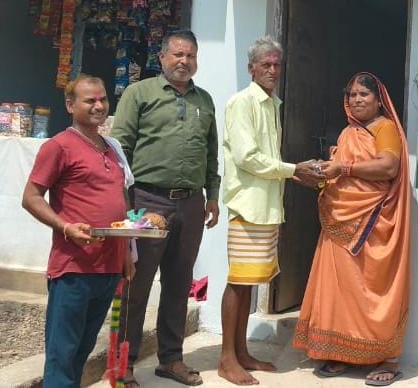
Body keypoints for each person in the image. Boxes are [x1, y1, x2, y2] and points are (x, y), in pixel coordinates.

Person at [112, 29, 220, 387]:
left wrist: (213, 195)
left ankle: (171, 360)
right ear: (162, 57)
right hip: (147, 201)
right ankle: (123, 364)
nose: (184, 61)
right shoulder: (139, 93)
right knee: (137, 283)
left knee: (179, 283)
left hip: (191, 203)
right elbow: (120, 150)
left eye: (190, 56)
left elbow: (211, 153)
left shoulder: (205, 100)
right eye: (177, 54)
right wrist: (125, 206)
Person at [293, 72, 411, 387]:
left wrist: (342, 168)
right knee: (342, 290)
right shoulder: (348, 132)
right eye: (352, 95)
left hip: (373, 222)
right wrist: (318, 174)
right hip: (340, 220)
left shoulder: (384, 128)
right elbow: (340, 173)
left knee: (371, 290)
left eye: (363, 94)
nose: (357, 100)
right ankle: (342, 352)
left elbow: (388, 166)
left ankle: (387, 358)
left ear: (378, 100)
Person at [217, 38, 323, 385]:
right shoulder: (242, 102)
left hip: (265, 206)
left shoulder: (271, 104)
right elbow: (247, 157)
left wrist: (293, 173)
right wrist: (293, 170)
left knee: (250, 283)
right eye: (266, 65)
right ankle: (226, 359)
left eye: (277, 65)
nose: (273, 71)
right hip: (247, 205)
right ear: (251, 68)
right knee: (238, 283)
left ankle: (241, 352)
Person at [22, 75, 135, 388]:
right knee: (62, 355)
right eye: (90, 101)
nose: (99, 106)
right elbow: (30, 198)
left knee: (82, 351)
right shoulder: (58, 146)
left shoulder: (112, 148)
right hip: (74, 268)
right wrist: (66, 226)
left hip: (109, 268)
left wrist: (127, 252)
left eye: (103, 99)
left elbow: (121, 201)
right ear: (70, 106)